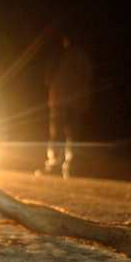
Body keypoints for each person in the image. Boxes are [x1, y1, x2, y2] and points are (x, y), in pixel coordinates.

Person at [42, 36, 93, 179]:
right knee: (67, 134)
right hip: (68, 100)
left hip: (66, 100)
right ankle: (64, 165)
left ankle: (61, 165)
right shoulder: (79, 57)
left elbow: (48, 77)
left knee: (63, 134)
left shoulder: (64, 56)